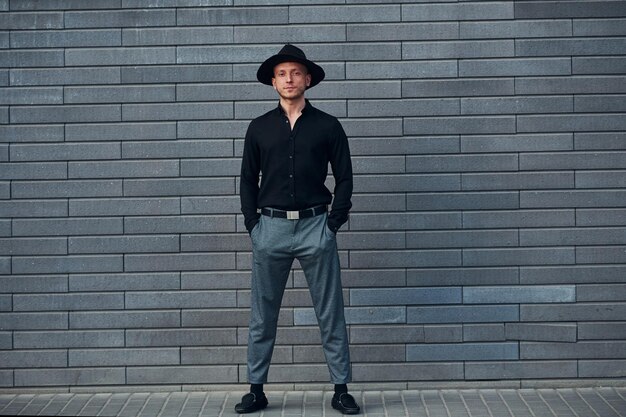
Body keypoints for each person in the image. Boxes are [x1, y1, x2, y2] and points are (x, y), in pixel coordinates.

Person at [237, 44, 360, 415]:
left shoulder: (328, 126)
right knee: (263, 313)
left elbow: (345, 177)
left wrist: (332, 224)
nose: (289, 79)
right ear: (273, 82)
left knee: (330, 311)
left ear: (307, 79)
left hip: (315, 227)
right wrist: (254, 226)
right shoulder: (258, 128)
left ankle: (341, 389)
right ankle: (256, 390)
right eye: (281, 73)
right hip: (270, 229)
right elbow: (246, 181)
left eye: (295, 73)